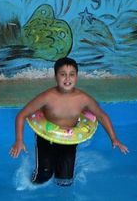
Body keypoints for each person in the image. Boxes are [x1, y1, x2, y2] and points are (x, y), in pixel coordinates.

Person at [9, 57, 129, 186]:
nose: (67, 79)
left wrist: (114, 138)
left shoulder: (83, 99)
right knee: (43, 177)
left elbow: (101, 115)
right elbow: (21, 115)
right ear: (55, 77)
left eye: (72, 75)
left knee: (65, 181)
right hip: (46, 139)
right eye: (63, 75)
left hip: (69, 141)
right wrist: (19, 140)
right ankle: (40, 175)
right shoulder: (47, 97)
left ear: (77, 76)